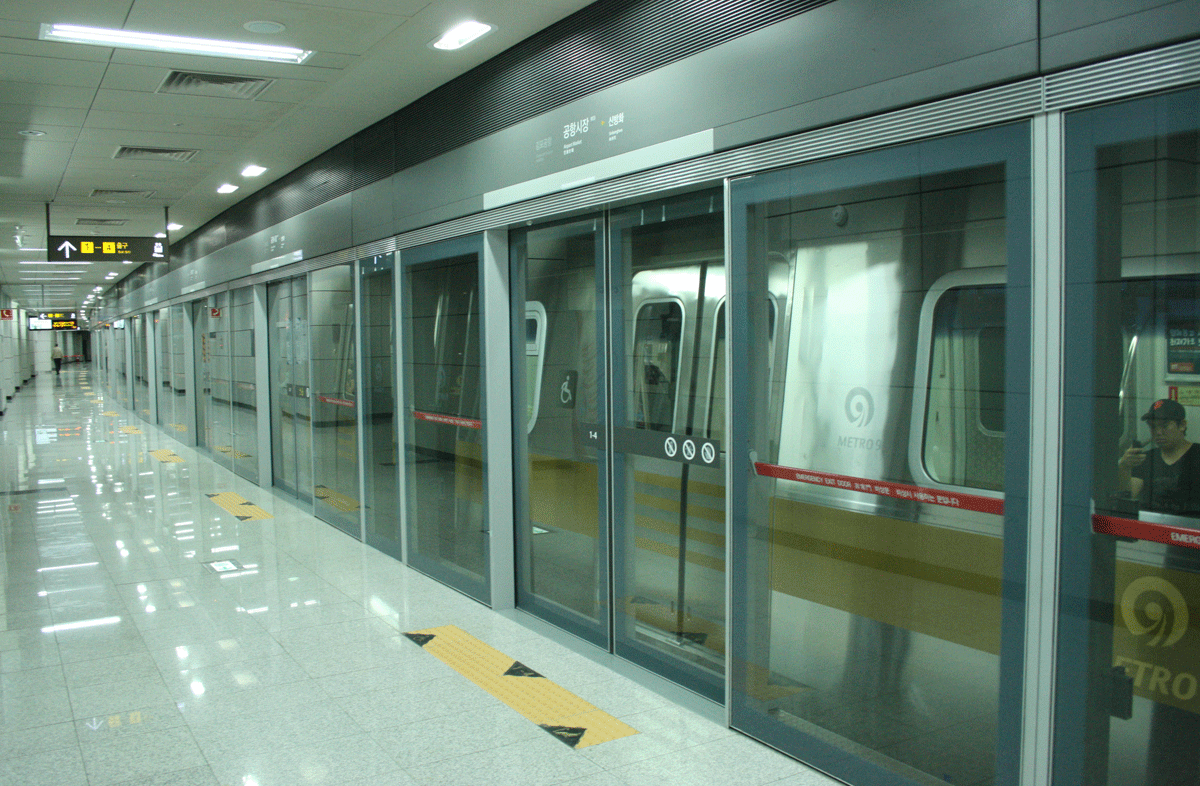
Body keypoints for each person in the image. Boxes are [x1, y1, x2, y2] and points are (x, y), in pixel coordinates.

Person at [1118, 398, 1200, 515]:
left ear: (1182, 425)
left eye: (1164, 426)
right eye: (1153, 427)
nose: (1158, 432)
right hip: (1152, 522)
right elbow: (1128, 496)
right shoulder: (1146, 458)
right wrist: (1124, 467)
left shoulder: (1197, 454)